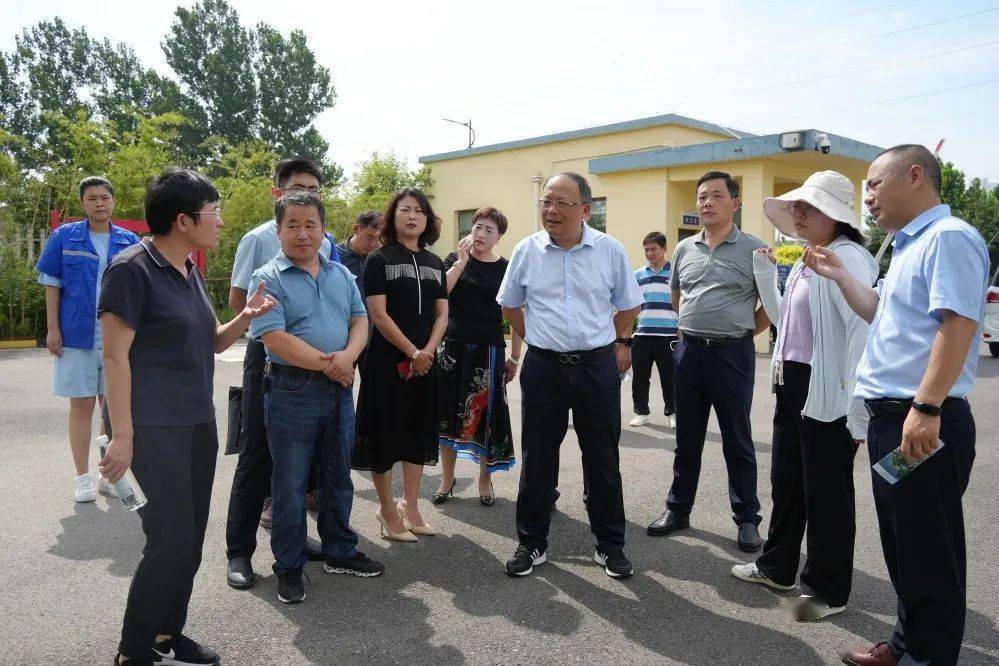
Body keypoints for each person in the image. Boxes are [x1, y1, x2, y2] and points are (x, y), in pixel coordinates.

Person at [805, 146, 987, 666]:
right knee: (905, 544)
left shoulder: (948, 239)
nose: (867, 198)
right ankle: (907, 644)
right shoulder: (910, 245)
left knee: (929, 548)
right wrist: (841, 276)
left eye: (873, 185)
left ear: (914, 176)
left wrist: (927, 407)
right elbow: (880, 310)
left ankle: (927, 657)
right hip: (894, 419)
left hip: (922, 420)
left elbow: (958, 326)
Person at [99, 168, 276, 665]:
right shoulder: (130, 270)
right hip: (149, 428)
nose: (219, 221)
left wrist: (245, 319)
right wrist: (123, 436)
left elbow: (210, 341)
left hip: (196, 422)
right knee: (168, 539)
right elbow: (113, 357)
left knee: (191, 539)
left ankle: (164, 636)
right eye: (213, 212)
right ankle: (133, 652)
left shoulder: (188, 269)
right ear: (182, 220)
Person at [729, 171, 878, 622]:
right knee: (789, 480)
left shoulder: (849, 258)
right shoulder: (807, 258)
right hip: (792, 381)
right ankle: (777, 566)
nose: (796, 214)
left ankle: (827, 589)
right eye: (795, 206)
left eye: (806, 207)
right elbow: (784, 322)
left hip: (828, 390)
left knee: (827, 491)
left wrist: (857, 408)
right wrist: (763, 270)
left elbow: (861, 337)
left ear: (834, 214)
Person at [497, 172, 643, 579]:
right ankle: (531, 542)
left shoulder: (609, 250)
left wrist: (618, 341)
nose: (551, 210)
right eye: (546, 201)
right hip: (543, 368)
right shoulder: (527, 250)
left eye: (562, 203)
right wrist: (537, 339)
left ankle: (610, 544)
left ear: (585, 209)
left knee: (602, 456)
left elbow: (629, 305)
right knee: (539, 457)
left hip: (596, 368)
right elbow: (510, 306)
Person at [248, 192, 384, 604]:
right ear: (279, 230)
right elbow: (274, 337)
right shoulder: (266, 277)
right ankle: (288, 566)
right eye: (293, 225)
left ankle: (339, 550)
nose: (302, 233)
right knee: (289, 484)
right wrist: (333, 364)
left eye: (311, 225)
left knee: (338, 475)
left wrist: (348, 357)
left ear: (324, 230)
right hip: (292, 388)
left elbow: (360, 319)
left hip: (339, 387)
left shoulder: (340, 275)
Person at [224, 157, 338, 589]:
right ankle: (239, 551)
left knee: (298, 458)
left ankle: (295, 539)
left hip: (313, 365)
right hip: (268, 359)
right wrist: (278, 331)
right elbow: (239, 300)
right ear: (278, 193)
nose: (306, 196)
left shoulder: (324, 242)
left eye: (314, 189)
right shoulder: (258, 239)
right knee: (257, 453)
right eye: (297, 188)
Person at [647, 171, 770, 552]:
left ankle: (747, 518)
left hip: (733, 354)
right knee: (687, 438)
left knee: (737, 438)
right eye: (701, 197)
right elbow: (677, 295)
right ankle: (678, 509)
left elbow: (770, 305)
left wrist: (741, 333)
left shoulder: (756, 249)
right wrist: (693, 329)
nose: (706, 203)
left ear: (735, 203)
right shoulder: (684, 249)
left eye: (716, 196)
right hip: (689, 353)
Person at [35, 176, 140, 502]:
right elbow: (52, 284)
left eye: (104, 197)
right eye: (92, 198)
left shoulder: (129, 240)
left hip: (117, 339)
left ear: (113, 201)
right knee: (81, 406)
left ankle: (107, 475)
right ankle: (82, 477)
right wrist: (53, 328)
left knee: (112, 409)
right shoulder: (64, 237)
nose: (99, 203)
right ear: (83, 204)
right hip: (77, 336)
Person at [352, 188, 448, 542]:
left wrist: (429, 351)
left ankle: (411, 503)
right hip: (387, 361)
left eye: (419, 211)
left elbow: (442, 313)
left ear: (427, 220)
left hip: (425, 361)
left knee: (418, 430)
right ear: (393, 216)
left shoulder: (435, 263)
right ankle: (386, 508)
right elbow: (378, 315)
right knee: (385, 433)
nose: (412, 216)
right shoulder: (378, 259)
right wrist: (412, 351)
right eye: (405, 210)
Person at [434, 207, 522, 507]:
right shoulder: (453, 259)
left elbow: (515, 311)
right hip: (451, 348)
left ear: (498, 238)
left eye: (489, 230)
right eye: (478, 227)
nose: (481, 234)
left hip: (489, 349)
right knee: (446, 415)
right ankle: (447, 479)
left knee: (486, 416)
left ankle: (485, 480)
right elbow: (439, 294)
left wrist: (514, 356)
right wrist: (460, 263)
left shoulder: (506, 268)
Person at [629, 231, 679, 429]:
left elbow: (683, 302)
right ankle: (641, 412)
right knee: (640, 377)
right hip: (642, 335)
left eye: (654, 249)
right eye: (647, 250)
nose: (650, 253)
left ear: (664, 249)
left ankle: (673, 412)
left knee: (670, 378)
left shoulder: (675, 273)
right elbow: (631, 305)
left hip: (669, 335)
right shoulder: (638, 275)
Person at [335, 210, 384, 297]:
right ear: (356, 229)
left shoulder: (379, 258)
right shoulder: (335, 255)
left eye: (378, 239)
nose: (373, 244)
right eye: (370, 237)